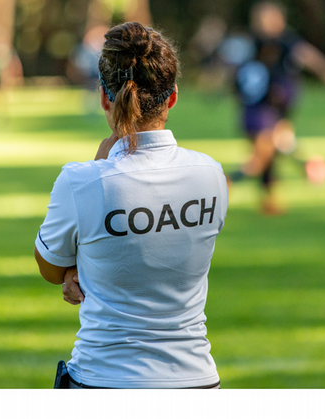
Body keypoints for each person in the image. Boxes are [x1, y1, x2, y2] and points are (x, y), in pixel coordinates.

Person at [34, 22, 228, 389]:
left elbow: (49, 267)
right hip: (197, 382)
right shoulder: (211, 174)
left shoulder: (80, 182)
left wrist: (76, 270)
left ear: (105, 98)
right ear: (171, 97)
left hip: (102, 379)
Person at [228, 1, 325, 215]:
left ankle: (271, 199)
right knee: (262, 157)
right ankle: (225, 183)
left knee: (271, 153)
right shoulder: (256, 43)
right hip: (260, 111)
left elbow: (307, 55)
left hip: (273, 110)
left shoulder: (278, 42)